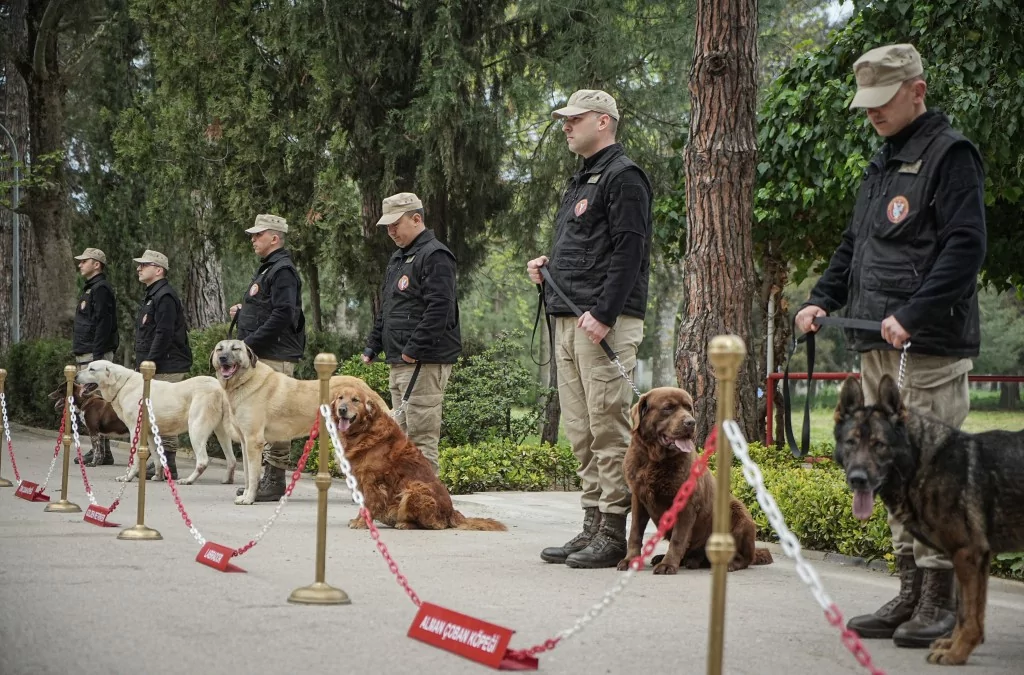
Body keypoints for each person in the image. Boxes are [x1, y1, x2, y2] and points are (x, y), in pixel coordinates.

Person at [794, 43, 986, 648]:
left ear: (917, 91)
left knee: (932, 471)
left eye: (883, 100)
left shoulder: (951, 155)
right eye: (867, 102)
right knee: (891, 469)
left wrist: (914, 313)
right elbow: (855, 247)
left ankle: (940, 600)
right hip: (875, 340)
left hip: (924, 346)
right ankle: (910, 590)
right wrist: (821, 298)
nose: (873, 112)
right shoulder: (882, 162)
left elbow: (966, 247)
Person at [526, 89, 653, 569]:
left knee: (608, 425)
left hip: (603, 322)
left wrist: (604, 313)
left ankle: (615, 531)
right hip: (569, 316)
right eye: (565, 119)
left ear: (603, 121)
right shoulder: (581, 180)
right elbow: (588, 248)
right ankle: (592, 523)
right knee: (580, 429)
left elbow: (630, 251)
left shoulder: (625, 177)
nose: (566, 125)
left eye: (575, 119)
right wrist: (548, 267)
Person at [362, 192, 461, 475]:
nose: (391, 231)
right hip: (399, 360)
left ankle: (426, 498)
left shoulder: (435, 255)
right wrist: (373, 344)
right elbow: (388, 307)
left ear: (416, 219)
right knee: (401, 438)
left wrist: (413, 350)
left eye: (396, 224)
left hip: (422, 362)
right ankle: (407, 496)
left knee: (420, 439)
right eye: (387, 227)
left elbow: (439, 309)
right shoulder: (399, 258)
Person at [229, 214, 306, 501]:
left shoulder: (282, 270)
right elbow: (267, 308)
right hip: (264, 354)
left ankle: (274, 479)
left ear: (274, 238)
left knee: (277, 417)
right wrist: (243, 312)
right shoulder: (268, 268)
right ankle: (263, 479)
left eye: (258, 234)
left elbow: (283, 313)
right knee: (260, 419)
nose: (252, 239)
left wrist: (247, 345)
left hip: (275, 354)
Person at [134, 249, 193, 481]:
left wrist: (150, 362)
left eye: (144, 265)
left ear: (158, 270)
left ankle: (168, 463)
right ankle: (160, 460)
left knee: (166, 413)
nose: (139, 269)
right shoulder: (153, 295)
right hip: (158, 363)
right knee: (156, 413)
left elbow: (164, 332)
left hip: (167, 364)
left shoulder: (165, 295)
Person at [72, 247, 119, 466]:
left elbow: (103, 323)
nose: (80, 264)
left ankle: (101, 451)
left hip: (95, 354)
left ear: (96, 264)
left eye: (85, 261)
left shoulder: (101, 289)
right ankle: (100, 450)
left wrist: (98, 357)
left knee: (96, 403)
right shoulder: (92, 288)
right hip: (87, 351)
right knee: (92, 402)